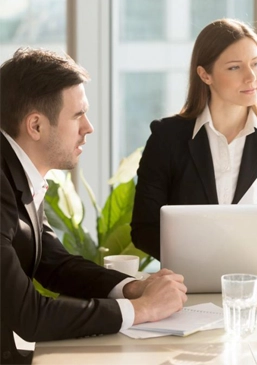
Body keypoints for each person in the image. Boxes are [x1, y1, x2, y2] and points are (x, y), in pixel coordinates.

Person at [0, 47, 188, 365]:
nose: (89, 127)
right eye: (77, 116)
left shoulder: (17, 172)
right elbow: (28, 315)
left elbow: (54, 263)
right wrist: (142, 310)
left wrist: (133, 288)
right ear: (35, 126)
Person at [131, 18, 257, 265]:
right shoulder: (167, 137)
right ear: (205, 75)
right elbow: (144, 229)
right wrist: (205, 261)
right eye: (235, 67)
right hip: (188, 286)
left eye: (256, 63)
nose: (251, 77)